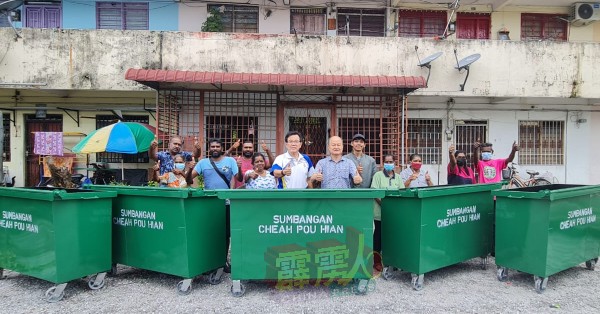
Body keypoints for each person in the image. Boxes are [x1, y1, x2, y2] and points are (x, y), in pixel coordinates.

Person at [187, 138, 238, 273]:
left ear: (222, 148)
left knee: (225, 233)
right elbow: (189, 179)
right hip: (209, 203)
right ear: (209, 149)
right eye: (212, 146)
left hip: (226, 202)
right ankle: (208, 261)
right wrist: (190, 169)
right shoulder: (203, 163)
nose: (215, 148)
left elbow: (238, 178)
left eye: (217, 146)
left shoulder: (230, 161)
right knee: (209, 232)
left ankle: (223, 261)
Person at [370, 154, 404, 272]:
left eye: (391, 161)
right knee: (378, 237)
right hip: (380, 213)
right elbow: (375, 192)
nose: (389, 163)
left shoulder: (398, 177)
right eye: (386, 161)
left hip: (394, 214)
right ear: (383, 163)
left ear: (394, 163)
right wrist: (385, 205)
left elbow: (402, 192)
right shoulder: (378, 176)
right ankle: (377, 261)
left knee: (392, 237)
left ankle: (391, 261)